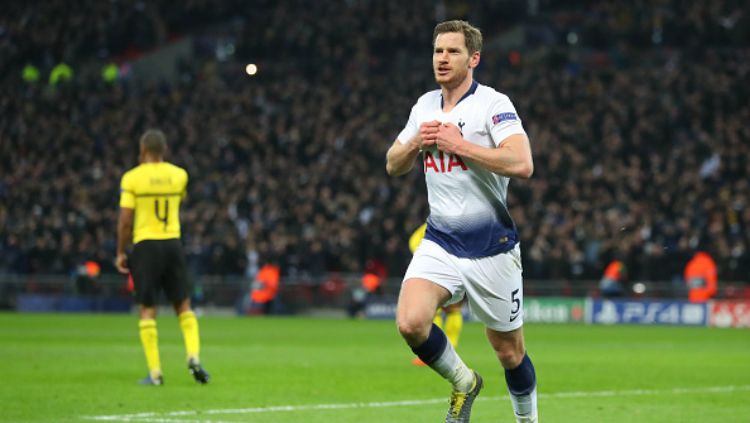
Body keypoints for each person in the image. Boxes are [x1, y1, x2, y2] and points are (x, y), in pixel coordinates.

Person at [386, 20, 537, 422]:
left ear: (474, 59)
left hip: (492, 247)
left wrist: (459, 145)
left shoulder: (493, 104)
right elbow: (392, 163)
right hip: (441, 240)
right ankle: (464, 381)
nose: (442, 58)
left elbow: (522, 163)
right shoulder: (424, 106)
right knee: (411, 322)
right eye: (437, 51)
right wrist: (418, 140)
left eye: (452, 51)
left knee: (509, 351)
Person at [115, 129, 210, 386]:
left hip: (146, 244)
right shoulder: (179, 175)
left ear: (142, 149)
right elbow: (179, 200)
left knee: (147, 309)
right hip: (172, 243)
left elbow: (125, 220)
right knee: (183, 305)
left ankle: (155, 373)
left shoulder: (132, 178)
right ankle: (193, 356)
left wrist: (121, 251)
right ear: (164, 150)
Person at [409, 223, 465, 367]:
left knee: (436, 311)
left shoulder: (435, 221)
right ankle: (447, 349)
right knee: (451, 310)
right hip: (456, 268)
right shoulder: (461, 221)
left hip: (438, 270)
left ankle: (436, 351)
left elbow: (414, 241)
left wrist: (425, 258)